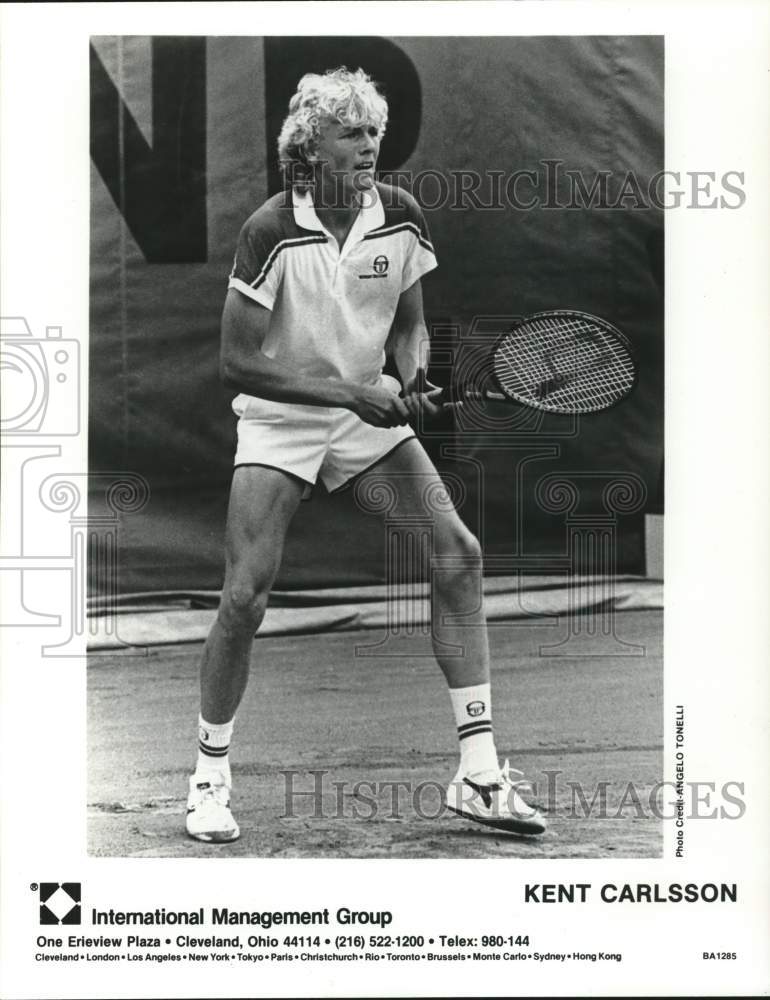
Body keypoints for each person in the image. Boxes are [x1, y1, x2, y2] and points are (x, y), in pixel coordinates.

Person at [186, 67, 545, 843]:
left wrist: (411, 376)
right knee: (245, 594)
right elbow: (236, 362)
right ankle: (209, 779)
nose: (369, 144)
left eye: (374, 132)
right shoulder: (270, 228)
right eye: (351, 132)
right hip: (283, 417)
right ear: (310, 146)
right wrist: (351, 394)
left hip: (367, 410)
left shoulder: (402, 218)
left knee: (459, 552)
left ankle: (480, 775)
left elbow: (411, 323)